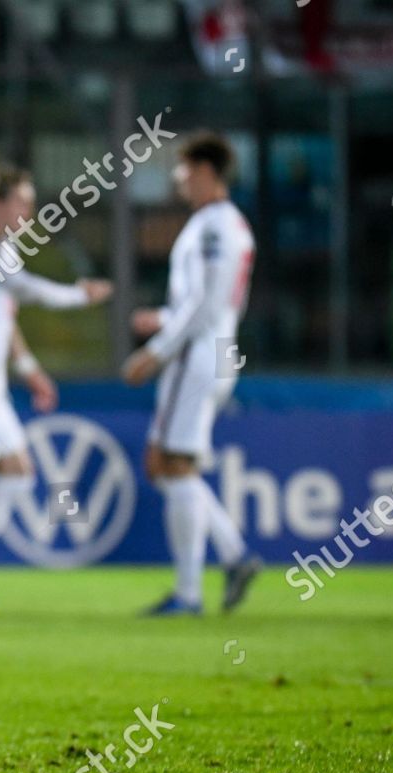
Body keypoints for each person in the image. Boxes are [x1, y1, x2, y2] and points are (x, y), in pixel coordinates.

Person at [121, 131, 262, 615]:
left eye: (183, 169)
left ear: (204, 170)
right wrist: (163, 318)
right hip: (215, 348)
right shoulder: (230, 225)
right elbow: (206, 302)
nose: (178, 178)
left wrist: (156, 350)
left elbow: (206, 302)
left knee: (174, 463)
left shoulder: (211, 227)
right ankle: (233, 555)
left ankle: (189, 593)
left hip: (197, 354)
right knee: (166, 465)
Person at [0, 165, 113, 612]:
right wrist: (78, 295)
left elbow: (3, 311)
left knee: (5, 475)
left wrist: (28, 367)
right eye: (21, 203)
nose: (29, 213)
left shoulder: (3, 250)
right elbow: (29, 292)